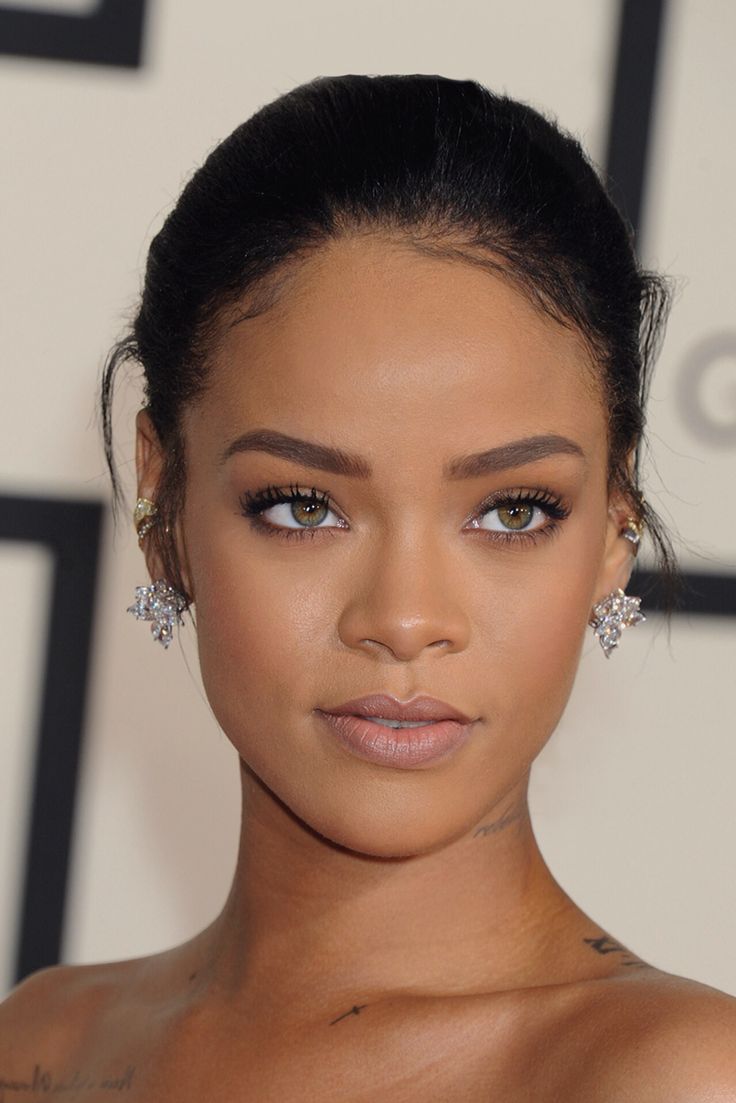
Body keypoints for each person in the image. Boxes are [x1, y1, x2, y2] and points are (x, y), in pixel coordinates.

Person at [1, 74, 734, 1100]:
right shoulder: (44, 1045)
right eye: (302, 505)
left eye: (511, 509)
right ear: (163, 501)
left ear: (614, 528)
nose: (402, 619)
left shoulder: (670, 1075)